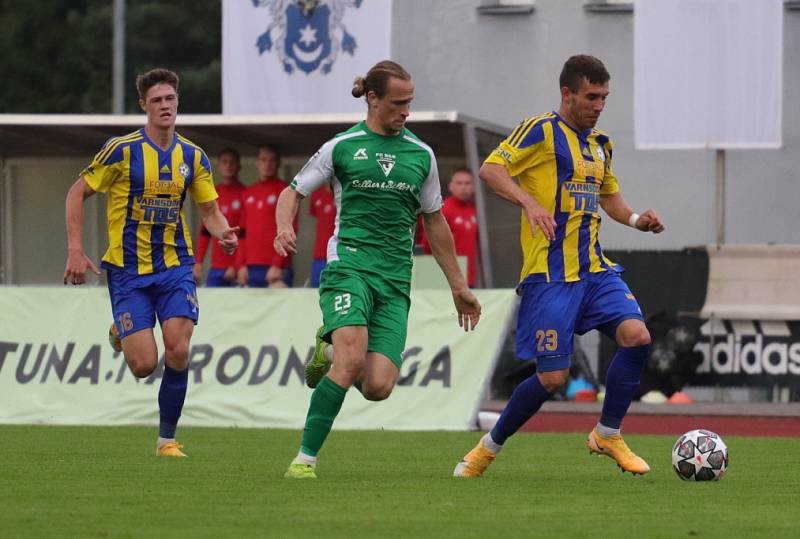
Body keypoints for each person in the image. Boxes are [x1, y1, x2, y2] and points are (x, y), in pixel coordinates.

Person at [454, 55, 665, 478]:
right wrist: (530, 202)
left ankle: (607, 433)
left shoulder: (600, 144)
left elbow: (609, 197)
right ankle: (487, 448)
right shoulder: (541, 130)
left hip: (595, 269)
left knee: (637, 336)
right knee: (552, 379)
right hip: (550, 276)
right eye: (591, 96)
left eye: (604, 97)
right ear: (567, 93)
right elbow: (491, 170)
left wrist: (638, 220)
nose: (599, 104)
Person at [273, 60, 482, 479]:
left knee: (378, 387)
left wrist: (457, 285)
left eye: (411, 103)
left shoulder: (421, 155)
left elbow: (434, 221)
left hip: (395, 279)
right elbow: (292, 192)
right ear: (372, 99)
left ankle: (326, 349)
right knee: (351, 362)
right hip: (348, 267)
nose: (407, 111)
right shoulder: (343, 147)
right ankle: (304, 460)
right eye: (398, 103)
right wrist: (282, 227)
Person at [63, 68, 239, 458]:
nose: (165, 106)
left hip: (175, 267)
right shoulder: (121, 151)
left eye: (170, 99)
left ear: (178, 103)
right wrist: (76, 249)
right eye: (157, 100)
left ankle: (167, 441)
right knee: (144, 364)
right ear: (144, 105)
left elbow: (209, 211)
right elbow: (76, 193)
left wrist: (223, 232)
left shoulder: (192, 156)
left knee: (178, 350)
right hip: (127, 273)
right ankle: (122, 331)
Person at [237, 145, 295, 288]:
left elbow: (291, 230)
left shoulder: (287, 191)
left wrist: (277, 264)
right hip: (250, 267)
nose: (267, 164)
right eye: (263, 160)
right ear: (257, 163)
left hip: (276, 268)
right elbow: (242, 232)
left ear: (279, 163)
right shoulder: (248, 193)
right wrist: (240, 265)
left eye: (272, 160)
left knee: (280, 310)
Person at [193, 148, 246, 286]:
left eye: (232, 162)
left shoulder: (246, 194)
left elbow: (245, 235)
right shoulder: (213, 194)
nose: (228, 166)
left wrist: (237, 265)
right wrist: (199, 262)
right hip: (216, 268)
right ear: (218, 166)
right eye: (224, 162)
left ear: (239, 166)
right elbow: (205, 232)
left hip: (238, 269)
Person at [421, 168, 479, 287]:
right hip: (447, 277)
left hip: (470, 276)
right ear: (451, 186)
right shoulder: (442, 209)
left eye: (467, 183)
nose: (463, 187)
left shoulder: (476, 211)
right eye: (459, 183)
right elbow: (428, 244)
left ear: (473, 187)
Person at [308, 183, 336, 288]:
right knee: (314, 296)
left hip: (340, 257)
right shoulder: (316, 193)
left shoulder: (345, 191)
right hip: (319, 256)